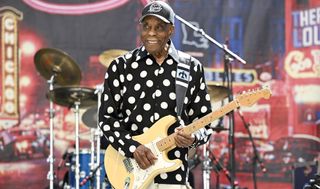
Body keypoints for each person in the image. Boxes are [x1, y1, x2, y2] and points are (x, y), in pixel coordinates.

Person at [98, 1, 212, 188]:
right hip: (130, 173)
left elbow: (204, 121)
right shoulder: (121, 66)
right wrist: (132, 148)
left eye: (159, 27)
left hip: (172, 175)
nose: (151, 33)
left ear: (171, 30)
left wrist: (194, 137)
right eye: (146, 26)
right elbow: (107, 119)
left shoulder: (190, 67)